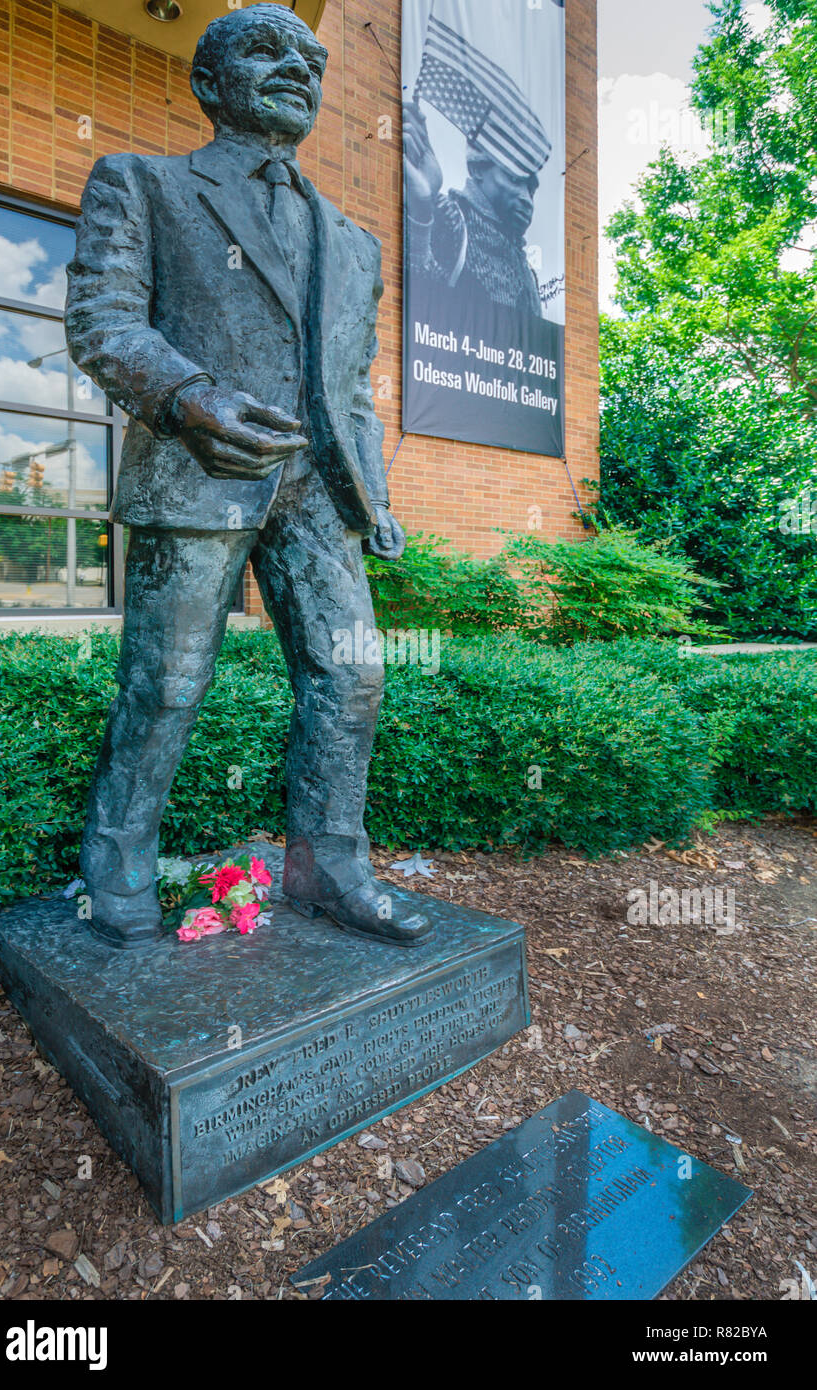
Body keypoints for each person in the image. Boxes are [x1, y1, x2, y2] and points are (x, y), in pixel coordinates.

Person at [65, 4, 431, 950]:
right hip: (198, 470)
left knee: (352, 680)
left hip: (320, 494)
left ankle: (327, 866)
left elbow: (349, 384)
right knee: (168, 682)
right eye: (265, 51)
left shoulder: (356, 242)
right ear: (207, 82)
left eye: (310, 57)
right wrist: (191, 397)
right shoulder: (142, 185)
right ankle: (116, 865)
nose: (297, 67)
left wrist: (374, 501)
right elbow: (103, 322)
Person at [403, 100, 544, 318]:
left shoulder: (526, 268)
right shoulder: (449, 220)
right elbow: (422, 297)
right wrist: (421, 214)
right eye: (515, 179)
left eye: (532, 189)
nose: (526, 198)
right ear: (478, 169)